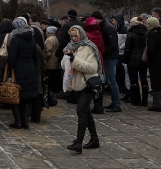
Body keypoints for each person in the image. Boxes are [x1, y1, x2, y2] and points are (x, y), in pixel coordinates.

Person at [63, 25, 101, 153]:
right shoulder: (70, 47)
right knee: (86, 112)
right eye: (72, 36)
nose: (73, 38)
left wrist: (74, 60)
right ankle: (94, 139)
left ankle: (78, 143)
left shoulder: (89, 47)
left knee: (81, 111)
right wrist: (67, 57)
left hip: (89, 83)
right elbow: (64, 65)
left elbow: (92, 68)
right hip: (78, 84)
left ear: (82, 35)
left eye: (76, 36)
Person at [7, 17, 37, 129]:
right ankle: (26, 122)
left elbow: (11, 58)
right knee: (28, 97)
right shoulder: (32, 39)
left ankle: (18, 121)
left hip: (18, 70)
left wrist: (10, 68)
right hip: (30, 70)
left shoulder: (15, 40)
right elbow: (35, 57)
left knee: (15, 95)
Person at [92, 10, 121, 113]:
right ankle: (114, 102)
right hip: (109, 57)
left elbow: (112, 45)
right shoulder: (106, 26)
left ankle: (116, 104)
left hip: (110, 57)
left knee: (112, 81)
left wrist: (103, 53)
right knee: (110, 81)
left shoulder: (108, 28)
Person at [123, 17, 148, 106]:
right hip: (143, 59)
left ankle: (136, 99)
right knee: (144, 79)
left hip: (132, 59)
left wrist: (125, 59)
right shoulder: (146, 32)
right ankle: (145, 99)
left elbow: (127, 48)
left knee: (134, 80)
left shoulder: (131, 33)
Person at [43, 26, 61, 95]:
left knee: (50, 76)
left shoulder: (49, 40)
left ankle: (51, 90)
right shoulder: (55, 38)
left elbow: (48, 51)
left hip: (51, 61)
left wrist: (44, 57)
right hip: (55, 60)